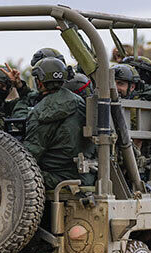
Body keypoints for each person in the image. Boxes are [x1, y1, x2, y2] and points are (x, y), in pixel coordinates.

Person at [23, 57, 95, 190]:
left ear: (40, 82)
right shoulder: (80, 102)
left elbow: (29, 156)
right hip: (85, 177)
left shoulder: (40, 111)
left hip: (57, 179)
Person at [11, 48, 66, 118]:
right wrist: (20, 87)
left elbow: (23, 119)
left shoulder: (63, 97)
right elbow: (34, 96)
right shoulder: (64, 93)